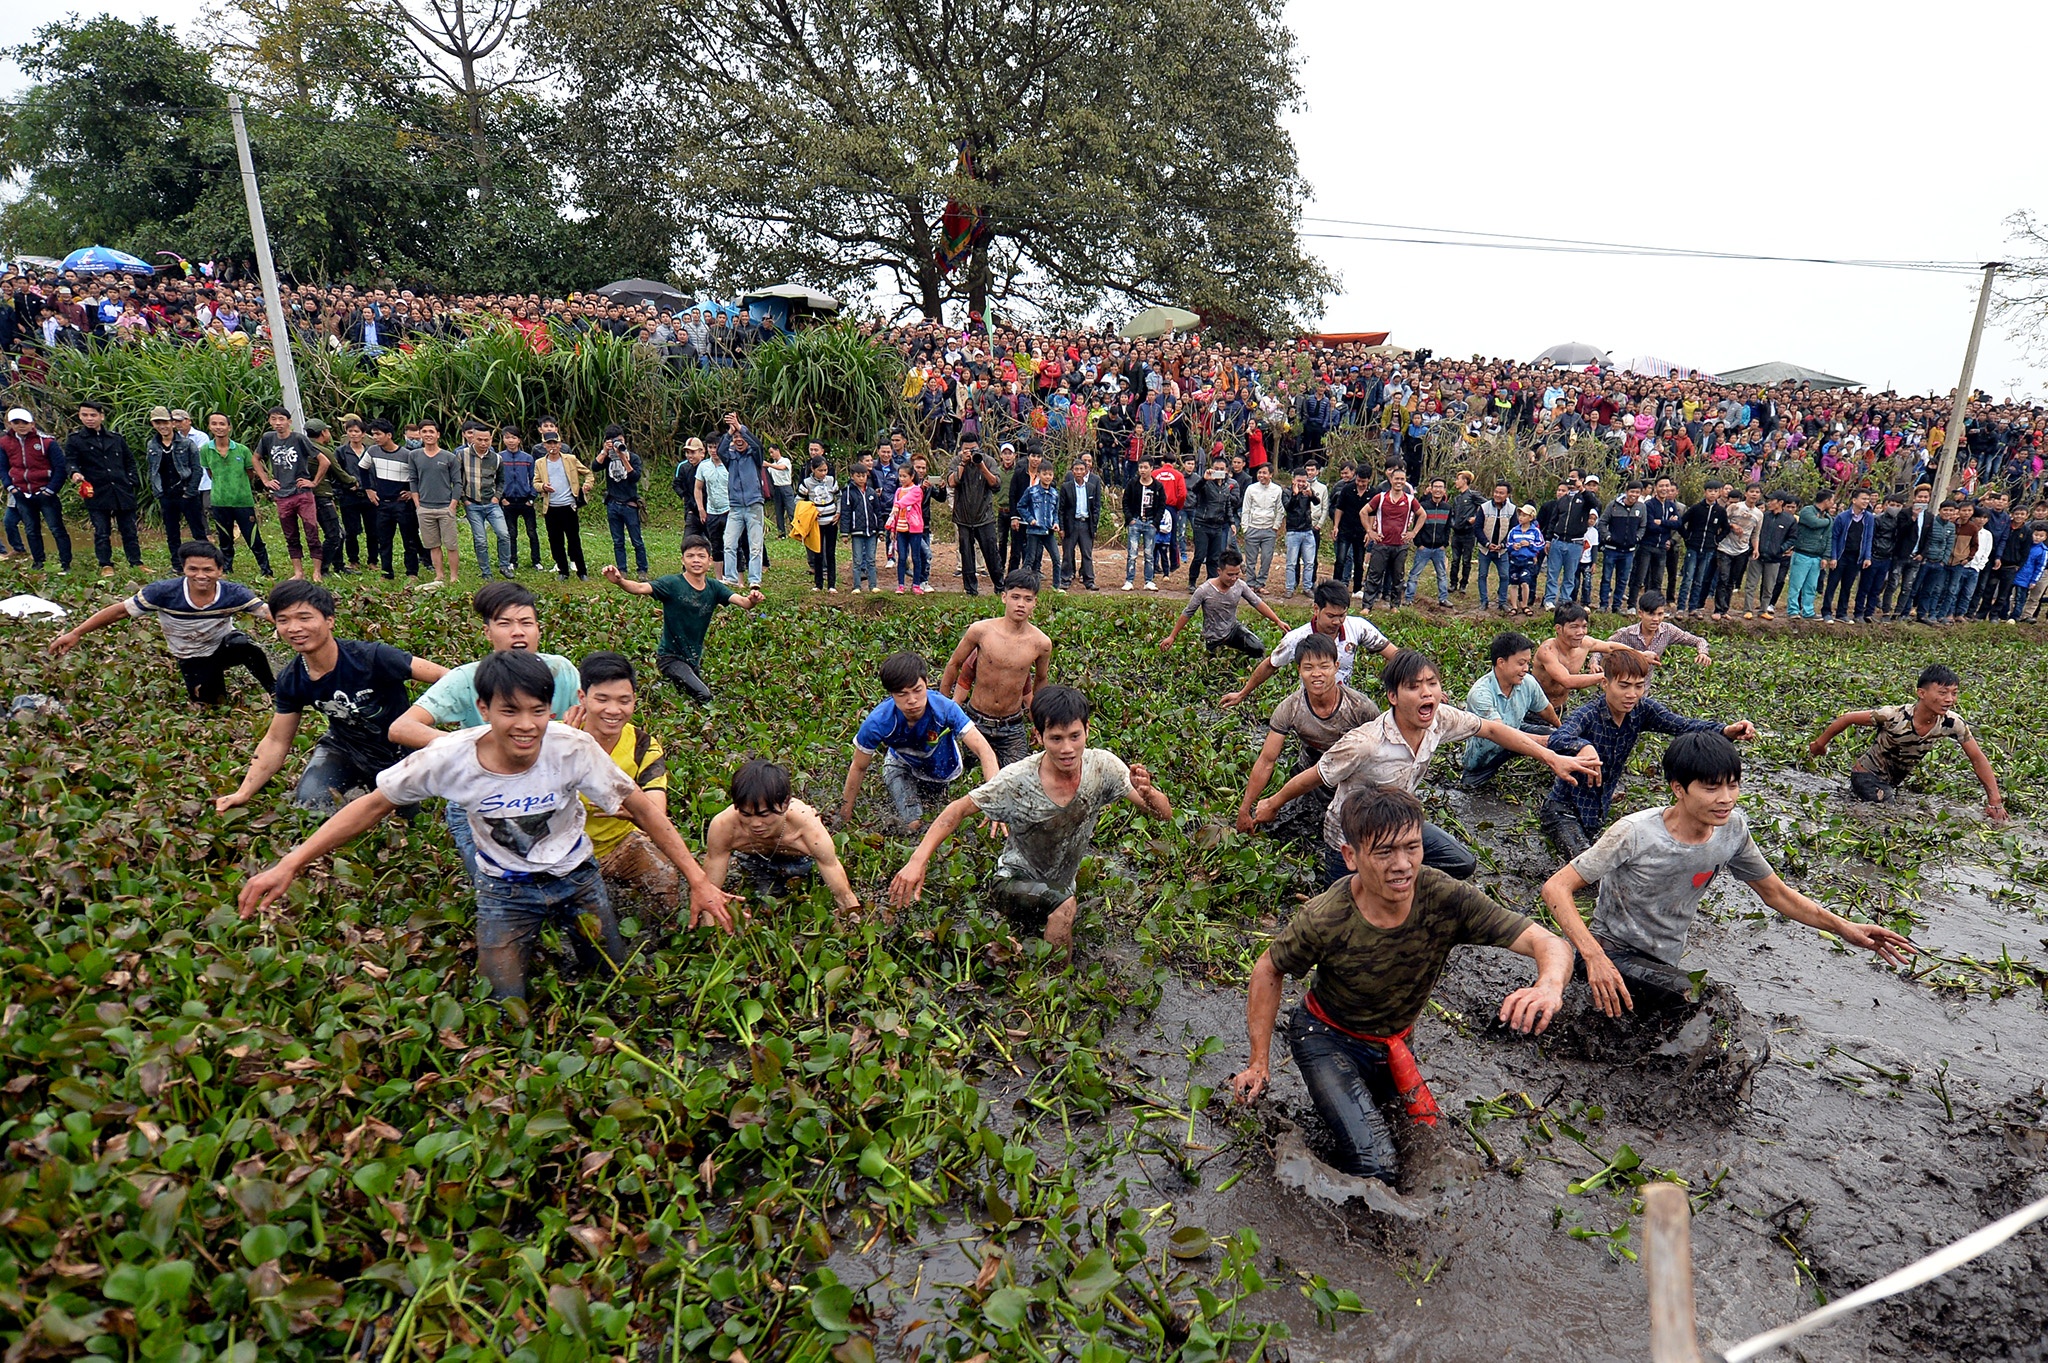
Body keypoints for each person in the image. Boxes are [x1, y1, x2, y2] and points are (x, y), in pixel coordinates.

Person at [236, 650, 733, 1003]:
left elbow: (645, 810)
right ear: (483, 709)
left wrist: (696, 881)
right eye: (509, 711)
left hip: (579, 879)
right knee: (503, 1001)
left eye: (538, 711)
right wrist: (291, 863)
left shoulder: (571, 746)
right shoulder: (449, 757)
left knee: (614, 979)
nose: (526, 725)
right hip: (503, 891)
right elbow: (368, 808)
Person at [1228, 787, 1572, 1188]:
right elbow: (1269, 969)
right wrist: (1259, 1061)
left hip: (1393, 1041)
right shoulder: (1325, 917)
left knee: (1423, 1140)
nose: (1402, 865)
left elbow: (1548, 942)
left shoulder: (1444, 896)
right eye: (1384, 852)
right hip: (1327, 1037)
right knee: (1376, 1165)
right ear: (1351, 857)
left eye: (1412, 847)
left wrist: (1548, 985)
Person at [1543, 733, 1914, 1017]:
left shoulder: (1732, 830)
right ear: (1678, 789)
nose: (1725, 798)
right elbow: (1556, 889)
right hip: (1612, 953)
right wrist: (1593, 957)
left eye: (1732, 785)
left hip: (1661, 962)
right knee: (1707, 1003)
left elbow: (1777, 895)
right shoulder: (1635, 833)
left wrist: (1847, 928)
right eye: (1711, 787)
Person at [1253, 649, 1601, 882]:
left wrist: (1551, 756)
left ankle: (1402, 881)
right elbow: (1312, 777)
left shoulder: (1439, 719)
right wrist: (1270, 804)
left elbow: (1493, 729)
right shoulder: (1365, 743)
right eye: (1414, 687)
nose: (1427, 694)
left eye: (1432, 684)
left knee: (1461, 863)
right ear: (1392, 696)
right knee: (1351, 920)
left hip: (1398, 825)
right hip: (1352, 838)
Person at [888, 685, 1172, 950]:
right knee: (1064, 905)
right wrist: (917, 861)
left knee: (1063, 900)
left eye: (1075, 736)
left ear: (1087, 730)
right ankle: (1056, 987)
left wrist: (1148, 793)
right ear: (1038, 737)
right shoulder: (1018, 779)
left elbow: (1163, 815)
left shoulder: (1104, 767)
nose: (1067, 749)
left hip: (1061, 884)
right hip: (1012, 881)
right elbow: (958, 809)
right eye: (1056, 739)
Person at [386, 580, 584, 879]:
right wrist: (475, 744)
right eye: (505, 623)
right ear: (487, 632)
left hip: (548, 795)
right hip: (479, 801)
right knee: (498, 883)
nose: (518, 631)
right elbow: (402, 728)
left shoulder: (561, 671)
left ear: (538, 629)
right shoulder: (467, 678)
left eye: (526, 623)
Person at [214, 581, 449, 814]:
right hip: (344, 748)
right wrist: (243, 792)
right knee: (311, 805)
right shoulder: (292, 679)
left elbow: (446, 677)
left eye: (304, 618)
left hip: (399, 750)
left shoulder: (373, 657)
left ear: (329, 620)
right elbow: (276, 740)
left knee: (409, 818)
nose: (294, 628)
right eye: (283, 620)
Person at [1538, 645, 1755, 858]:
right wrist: (1583, 746)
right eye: (1624, 686)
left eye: (1638, 686)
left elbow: (1681, 725)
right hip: (1564, 810)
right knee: (1587, 867)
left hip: (1597, 811)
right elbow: (1558, 738)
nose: (1632, 694)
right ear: (1605, 683)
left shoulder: (1642, 709)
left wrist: (1726, 730)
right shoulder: (1588, 715)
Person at [46, 540, 274, 703]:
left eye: (208, 570)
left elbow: (267, 612)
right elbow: (119, 612)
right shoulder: (163, 592)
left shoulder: (233, 593)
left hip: (223, 645)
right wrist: (76, 633)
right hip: (190, 655)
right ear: (183, 569)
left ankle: (275, 691)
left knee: (244, 646)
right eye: (193, 569)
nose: (200, 575)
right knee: (212, 703)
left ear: (220, 571)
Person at [1807, 663, 2005, 819]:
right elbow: (1848, 718)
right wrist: (1819, 745)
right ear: (1922, 693)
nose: (1949, 699)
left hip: (1892, 781)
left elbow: (1977, 758)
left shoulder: (1952, 723)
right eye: (1943, 693)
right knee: (1892, 817)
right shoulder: (1893, 716)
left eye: (1954, 693)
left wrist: (1995, 800)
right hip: (1866, 775)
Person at [835, 651, 1003, 835]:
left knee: (943, 819)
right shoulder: (878, 722)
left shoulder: (945, 709)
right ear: (891, 694)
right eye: (902, 694)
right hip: (900, 764)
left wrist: (993, 797)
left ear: (926, 682)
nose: (912, 700)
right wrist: (845, 817)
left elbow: (984, 750)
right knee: (914, 824)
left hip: (943, 768)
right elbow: (858, 767)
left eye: (917, 690)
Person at [566, 651, 685, 910]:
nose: (613, 710)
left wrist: (631, 810)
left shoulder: (644, 746)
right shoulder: (559, 740)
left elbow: (656, 811)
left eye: (624, 701)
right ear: (582, 698)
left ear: (634, 702)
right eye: (602, 699)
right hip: (565, 853)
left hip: (623, 843)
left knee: (665, 878)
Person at [1233, 631, 1378, 837]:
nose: (1317, 674)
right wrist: (1244, 809)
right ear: (1299, 670)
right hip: (1308, 777)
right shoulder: (1290, 708)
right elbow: (1267, 760)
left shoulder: (1361, 708)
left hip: (1351, 779)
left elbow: (1381, 757)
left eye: (1324, 667)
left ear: (1336, 668)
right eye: (1308, 668)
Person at [599, 535, 762, 705]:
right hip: (670, 658)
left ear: (710, 561)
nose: (696, 560)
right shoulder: (671, 583)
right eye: (690, 556)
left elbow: (744, 603)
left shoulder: (715, 587)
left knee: (688, 695)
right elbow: (639, 588)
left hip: (692, 660)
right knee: (704, 696)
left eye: (701, 556)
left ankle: (659, 688)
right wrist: (620, 581)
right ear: (683, 560)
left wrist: (753, 599)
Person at [702, 759, 860, 912]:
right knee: (762, 903)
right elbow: (710, 890)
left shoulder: (805, 823)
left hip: (800, 862)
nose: (755, 823)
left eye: (764, 815)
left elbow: (835, 876)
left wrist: (853, 917)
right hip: (754, 862)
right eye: (746, 815)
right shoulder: (724, 826)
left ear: (785, 804)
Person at [1220, 579, 1395, 708]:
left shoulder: (1358, 627)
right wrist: (1242, 694)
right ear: (1316, 609)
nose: (1337, 622)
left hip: (1344, 702)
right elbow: (1270, 665)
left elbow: (1395, 655)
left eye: (1342, 615)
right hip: (1311, 705)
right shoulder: (1297, 638)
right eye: (1331, 616)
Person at [940, 571, 1054, 769]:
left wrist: (1040, 722)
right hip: (974, 721)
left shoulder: (1041, 643)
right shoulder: (981, 631)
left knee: (1014, 781)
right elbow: (954, 664)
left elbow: (1041, 681)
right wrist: (941, 707)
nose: (1021, 604)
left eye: (1027, 599)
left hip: (1012, 725)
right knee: (966, 777)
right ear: (1004, 597)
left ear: (1035, 602)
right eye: (1015, 597)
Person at [1459, 630, 1562, 789]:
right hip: (1487, 753)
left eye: (1528, 663)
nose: (1526, 669)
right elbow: (1498, 732)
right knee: (1470, 788)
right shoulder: (1480, 693)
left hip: (1515, 729)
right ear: (1501, 662)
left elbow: (1545, 709)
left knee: (1557, 737)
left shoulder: (1527, 682)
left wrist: (1561, 729)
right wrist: (1541, 743)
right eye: (1521, 663)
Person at [252, 406, 329, 583]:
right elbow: (255, 458)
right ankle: (298, 571)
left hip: (302, 493)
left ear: (289, 422)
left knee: (311, 531)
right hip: (282, 494)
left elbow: (323, 460)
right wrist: (265, 479)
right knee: (290, 534)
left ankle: (317, 572)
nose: (278, 423)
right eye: (273, 419)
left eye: (281, 419)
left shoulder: (299, 439)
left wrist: (314, 482)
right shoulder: (268, 439)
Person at [67, 400, 144, 575]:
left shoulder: (116, 439)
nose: (89, 419)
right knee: (102, 531)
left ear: (101, 416)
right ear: (79, 416)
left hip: (121, 490)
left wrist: (131, 480)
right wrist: (74, 473)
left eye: (93, 415)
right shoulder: (76, 440)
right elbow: (71, 461)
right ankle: (105, 564)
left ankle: (136, 562)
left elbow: (129, 461)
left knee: (129, 530)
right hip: (96, 491)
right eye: (85, 415)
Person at [1160, 550, 1286, 657]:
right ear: (1219, 571)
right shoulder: (1204, 590)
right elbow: (1187, 613)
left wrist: (1277, 621)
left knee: (1258, 649)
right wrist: (1172, 636)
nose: (1234, 579)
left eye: (1237, 574)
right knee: (1216, 664)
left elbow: (1257, 603)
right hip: (1214, 638)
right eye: (1230, 575)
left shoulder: (1240, 585)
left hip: (1233, 630)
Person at [3, 406, 72, 573]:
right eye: (16, 422)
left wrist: (50, 490)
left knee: (56, 528)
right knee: (31, 530)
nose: (21, 426)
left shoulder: (47, 442)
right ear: (10, 424)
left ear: (32, 423)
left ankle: (66, 563)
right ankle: (38, 562)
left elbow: (60, 468)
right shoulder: (4, 442)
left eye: (25, 422)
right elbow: (2, 467)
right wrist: (10, 487)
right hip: (21, 492)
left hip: (45, 492)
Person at [1533, 602, 1633, 713]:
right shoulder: (1547, 651)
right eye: (1574, 627)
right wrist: (1606, 676)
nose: (1580, 632)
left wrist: (1640, 654)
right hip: (1537, 711)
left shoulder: (1584, 643)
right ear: (1559, 629)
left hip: (1561, 708)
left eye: (1584, 626)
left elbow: (1610, 647)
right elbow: (1567, 681)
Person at [360, 419, 422, 580]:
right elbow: (363, 468)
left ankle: (412, 572)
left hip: (402, 504)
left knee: (409, 539)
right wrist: (368, 490)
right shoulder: (372, 451)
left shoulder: (406, 455)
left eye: (378, 434)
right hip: (382, 504)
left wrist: (411, 492)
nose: (375, 437)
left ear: (389, 435)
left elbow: (418, 476)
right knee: (384, 540)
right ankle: (386, 572)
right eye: (373, 434)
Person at [405, 419, 462, 589]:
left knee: (451, 544)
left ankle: (453, 576)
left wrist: (453, 505)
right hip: (425, 508)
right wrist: (418, 505)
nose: (428, 435)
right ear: (420, 435)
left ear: (438, 434)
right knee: (433, 544)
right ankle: (439, 574)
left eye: (431, 431)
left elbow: (457, 483)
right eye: (424, 432)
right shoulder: (414, 456)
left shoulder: (449, 457)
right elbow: (413, 480)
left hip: (445, 507)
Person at [145, 404, 209, 550]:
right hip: (166, 494)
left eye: (165, 422)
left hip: (186, 492)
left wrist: (190, 492)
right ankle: (176, 564)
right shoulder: (152, 445)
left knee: (198, 531)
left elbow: (197, 469)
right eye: (157, 423)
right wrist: (158, 492)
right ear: (153, 424)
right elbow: (153, 470)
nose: (162, 427)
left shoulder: (187, 444)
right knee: (172, 532)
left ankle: (207, 560)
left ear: (172, 423)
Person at [534, 424, 592, 579]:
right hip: (551, 507)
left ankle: (582, 571)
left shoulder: (570, 459)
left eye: (555, 443)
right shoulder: (540, 463)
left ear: (560, 444)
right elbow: (535, 483)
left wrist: (587, 485)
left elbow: (588, 473)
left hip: (569, 505)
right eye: (549, 444)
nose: (552, 446)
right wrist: (543, 487)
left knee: (574, 540)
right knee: (555, 541)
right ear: (544, 445)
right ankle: (563, 571)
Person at [457, 419, 512, 581]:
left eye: (486, 440)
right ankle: (486, 572)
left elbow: (501, 480)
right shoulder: (461, 456)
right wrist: (464, 499)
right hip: (472, 504)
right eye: (479, 439)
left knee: (504, 534)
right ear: (472, 438)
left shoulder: (497, 459)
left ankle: (504, 565)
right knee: (480, 540)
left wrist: (497, 497)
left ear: (491, 440)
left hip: (492, 503)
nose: (483, 443)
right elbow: (457, 480)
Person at [949, 435, 1002, 596]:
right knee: (966, 556)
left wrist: (981, 465)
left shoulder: (988, 461)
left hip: (985, 517)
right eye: (967, 449)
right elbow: (952, 482)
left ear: (979, 447)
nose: (970, 452)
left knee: (992, 554)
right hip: (963, 517)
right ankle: (971, 590)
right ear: (961, 449)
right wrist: (963, 463)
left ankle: (1000, 588)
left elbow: (996, 484)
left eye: (973, 449)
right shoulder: (956, 461)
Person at [1363, 463, 1419, 608]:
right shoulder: (1381, 497)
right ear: (1391, 480)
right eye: (1397, 479)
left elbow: (1422, 515)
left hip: (1400, 545)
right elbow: (1363, 512)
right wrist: (1370, 531)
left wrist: (1413, 532)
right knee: (1374, 576)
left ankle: (1395, 606)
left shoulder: (1410, 499)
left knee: (1398, 578)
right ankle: (1367, 606)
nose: (1399, 482)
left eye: (1402, 479)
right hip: (1381, 543)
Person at [1609, 591, 1712, 667]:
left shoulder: (1668, 631)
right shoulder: (1626, 633)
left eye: (1660, 614)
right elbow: (1601, 648)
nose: (1656, 619)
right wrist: (1595, 663)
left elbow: (1699, 640)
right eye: (1651, 614)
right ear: (1640, 613)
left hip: (1643, 689)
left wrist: (1703, 652)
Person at [599, 425, 650, 577]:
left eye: (619, 441)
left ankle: (642, 570)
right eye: (613, 441)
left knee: (637, 540)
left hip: (630, 504)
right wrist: (604, 452)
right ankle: (622, 570)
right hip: (613, 503)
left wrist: (622, 458)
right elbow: (595, 466)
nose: (617, 444)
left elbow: (635, 477)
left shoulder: (633, 458)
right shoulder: (607, 458)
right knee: (618, 540)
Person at [1784, 489, 1834, 620]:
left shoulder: (1827, 516)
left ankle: (1808, 610)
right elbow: (1814, 523)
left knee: (1811, 586)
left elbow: (1829, 538)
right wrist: (1829, 522)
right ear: (1826, 500)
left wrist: (1825, 557)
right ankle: (1793, 610)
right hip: (1802, 553)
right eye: (1832, 500)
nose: (1833, 503)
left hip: (1817, 556)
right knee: (1796, 584)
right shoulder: (1807, 511)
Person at [1402, 476, 1452, 606]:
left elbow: (1448, 528)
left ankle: (1443, 598)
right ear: (1430, 489)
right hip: (1424, 547)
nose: (1438, 490)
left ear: (1444, 490)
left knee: (1442, 575)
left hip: (1439, 548)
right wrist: (1419, 544)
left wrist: (1444, 544)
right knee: (1414, 574)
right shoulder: (1423, 506)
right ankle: (1409, 598)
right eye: (1435, 487)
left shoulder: (1447, 507)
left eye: (1440, 487)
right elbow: (1416, 526)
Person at [1058, 456, 1105, 592]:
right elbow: (1061, 509)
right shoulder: (1066, 487)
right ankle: (1066, 579)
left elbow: (1096, 507)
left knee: (1087, 554)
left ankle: (1089, 580)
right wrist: (1062, 527)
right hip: (1071, 524)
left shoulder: (1091, 487)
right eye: (1076, 469)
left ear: (1085, 471)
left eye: (1081, 469)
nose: (1079, 472)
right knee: (1067, 553)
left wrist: (1094, 526)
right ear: (1072, 471)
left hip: (1086, 524)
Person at [839, 462, 888, 592]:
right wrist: (844, 533)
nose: (861, 478)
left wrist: (881, 530)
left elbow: (878, 512)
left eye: (864, 476)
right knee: (857, 560)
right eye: (858, 476)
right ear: (852, 476)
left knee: (871, 560)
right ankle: (857, 586)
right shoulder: (848, 492)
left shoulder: (871, 492)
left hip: (871, 531)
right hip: (856, 531)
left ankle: (873, 586)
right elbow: (845, 513)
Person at [498, 426, 539, 572]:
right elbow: (497, 480)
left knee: (532, 532)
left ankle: (536, 561)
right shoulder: (500, 458)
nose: (511, 441)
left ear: (519, 440)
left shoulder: (528, 458)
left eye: (513, 437)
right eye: (507, 437)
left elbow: (535, 478)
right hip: (508, 501)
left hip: (526, 500)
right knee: (511, 533)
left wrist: (532, 497)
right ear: (503, 439)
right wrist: (501, 498)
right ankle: (512, 561)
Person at [1122, 457, 1168, 591]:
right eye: (1140, 467)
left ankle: (1149, 580)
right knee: (1132, 553)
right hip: (1135, 521)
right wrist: (1130, 518)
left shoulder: (1158, 486)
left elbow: (1161, 505)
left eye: (1145, 467)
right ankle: (1129, 580)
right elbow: (1125, 502)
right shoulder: (1133, 483)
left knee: (1149, 553)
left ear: (1151, 468)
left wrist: (1155, 522)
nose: (1142, 470)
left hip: (1150, 522)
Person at [798, 450, 841, 591]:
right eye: (820, 470)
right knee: (817, 552)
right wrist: (809, 513)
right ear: (813, 469)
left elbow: (839, 496)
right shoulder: (807, 483)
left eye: (825, 470)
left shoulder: (831, 481)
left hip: (831, 522)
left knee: (830, 553)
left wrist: (839, 512)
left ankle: (832, 584)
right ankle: (818, 584)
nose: (823, 473)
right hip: (816, 524)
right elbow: (798, 500)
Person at [1505, 502, 1545, 614]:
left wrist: (1530, 544)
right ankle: (1514, 606)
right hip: (1514, 560)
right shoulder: (1514, 530)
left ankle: (1525, 604)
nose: (1521, 518)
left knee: (1525, 583)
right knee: (1513, 583)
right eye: (1520, 515)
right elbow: (1508, 544)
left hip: (1527, 561)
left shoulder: (1535, 531)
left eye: (1524, 515)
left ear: (1531, 517)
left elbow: (1540, 544)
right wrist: (1513, 546)